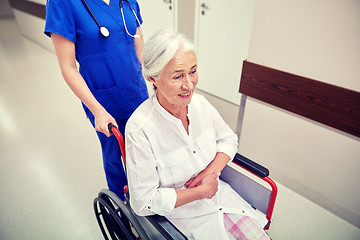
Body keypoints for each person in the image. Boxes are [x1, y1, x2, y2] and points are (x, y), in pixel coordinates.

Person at [125, 29, 270, 240]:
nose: (189, 84)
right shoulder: (140, 129)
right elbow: (142, 202)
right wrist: (199, 192)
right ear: (153, 78)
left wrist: (210, 173)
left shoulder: (201, 105)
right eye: (177, 76)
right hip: (181, 218)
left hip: (223, 200)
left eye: (193, 72)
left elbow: (228, 139)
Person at [44, 0, 148, 200]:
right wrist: (98, 111)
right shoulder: (62, 3)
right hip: (103, 101)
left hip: (137, 92)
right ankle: (122, 205)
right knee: (115, 158)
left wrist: (158, 79)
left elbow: (139, 48)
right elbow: (68, 68)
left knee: (145, 151)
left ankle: (150, 198)